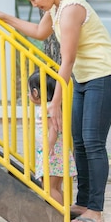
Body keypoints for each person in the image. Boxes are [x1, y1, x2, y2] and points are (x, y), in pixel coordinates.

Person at [0, 0, 111, 222]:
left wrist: (55, 103)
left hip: (104, 75)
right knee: (80, 142)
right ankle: (83, 203)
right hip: (86, 78)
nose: (35, 4)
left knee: (93, 142)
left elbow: (67, 59)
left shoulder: (71, 9)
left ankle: (95, 210)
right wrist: (5, 17)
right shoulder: (55, 7)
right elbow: (40, 33)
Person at [28, 70, 76, 207]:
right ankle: (62, 214)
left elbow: (53, 128)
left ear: (36, 93)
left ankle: (59, 217)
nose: (28, 94)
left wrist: (49, 146)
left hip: (52, 153)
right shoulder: (50, 107)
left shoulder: (46, 109)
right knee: (54, 187)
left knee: (50, 188)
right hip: (55, 152)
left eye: (29, 91)